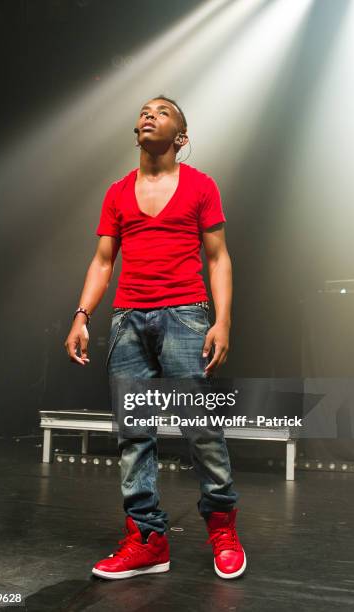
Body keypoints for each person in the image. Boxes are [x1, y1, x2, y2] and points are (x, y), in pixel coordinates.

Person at [64, 95, 246, 581]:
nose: (148, 115)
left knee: (201, 429)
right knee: (133, 435)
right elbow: (103, 261)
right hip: (128, 322)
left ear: (180, 137)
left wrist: (221, 320)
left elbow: (218, 257)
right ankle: (147, 539)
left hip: (185, 316)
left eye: (162, 111)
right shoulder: (118, 191)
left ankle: (223, 528)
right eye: (144, 110)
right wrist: (82, 316)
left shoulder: (201, 186)